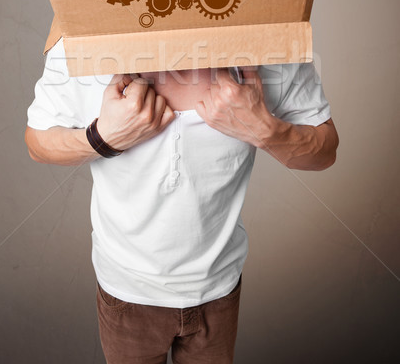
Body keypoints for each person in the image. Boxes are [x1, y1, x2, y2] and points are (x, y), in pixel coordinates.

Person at [25, 37, 338, 363]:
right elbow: (37, 142)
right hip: (126, 290)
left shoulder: (269, 39)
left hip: (218, 288)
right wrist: (102, 138)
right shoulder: (83, 41)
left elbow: (325, 150)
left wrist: (267, 129)